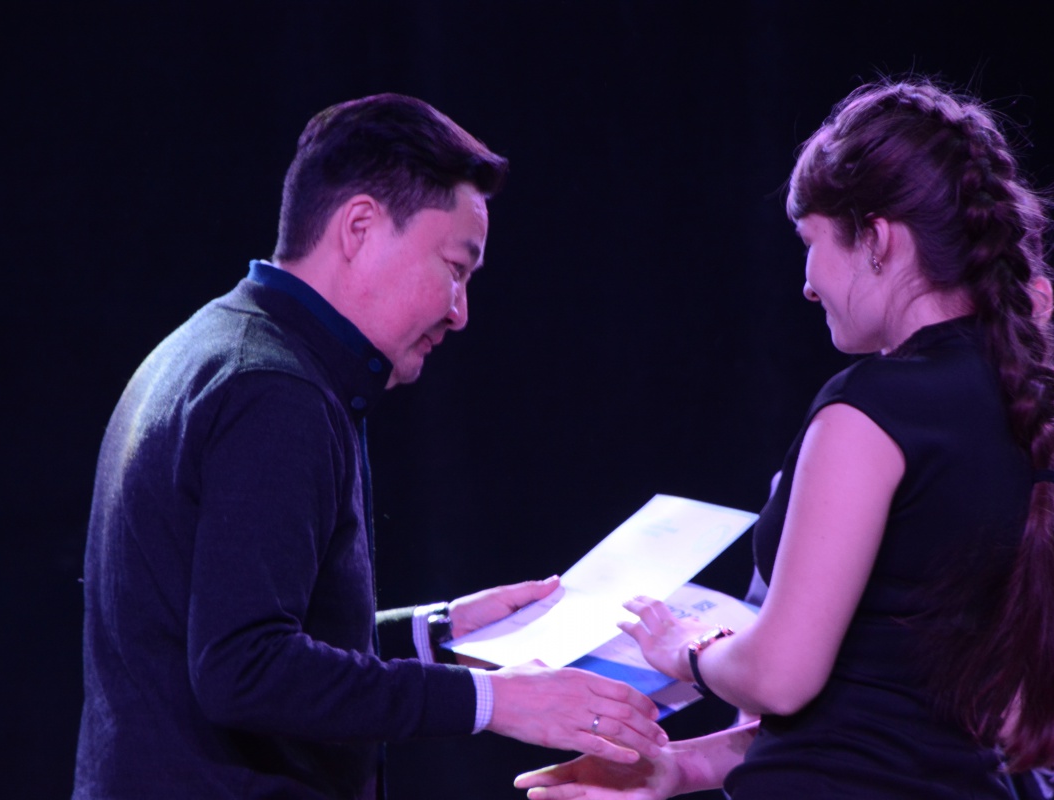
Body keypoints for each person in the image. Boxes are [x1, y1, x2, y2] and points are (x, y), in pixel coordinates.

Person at [72, 93, 668, 800]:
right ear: (359, 227)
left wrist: (437, 633)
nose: (460, 312)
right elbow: (244, 669)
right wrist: (495, 700)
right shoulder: (274, 390)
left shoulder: (217, 345)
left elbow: (232, 634)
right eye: (455, 267)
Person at [515, 78, 1054, 798]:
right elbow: (881, 706)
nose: (805, 282)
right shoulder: (1023, 408)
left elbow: (781, 677)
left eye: (810, 242)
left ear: (876, 239)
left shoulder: (873, 407)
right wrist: (677, 768)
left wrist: (689, 649)